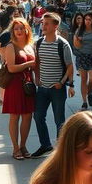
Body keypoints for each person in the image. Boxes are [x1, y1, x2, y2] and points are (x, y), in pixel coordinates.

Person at [32, 12, 75, 158]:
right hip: (42, 88)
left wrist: (63, 82)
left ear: (55, 26)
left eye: (46, 24)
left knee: (59, 120)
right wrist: (37, 78)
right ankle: (45, 145)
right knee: (38, 116)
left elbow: (70, 66)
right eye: (43, 23)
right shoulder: (38, 43)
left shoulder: (63, 44)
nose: (43, 26)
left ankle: (60, 150)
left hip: (57, 89)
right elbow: (37, 62)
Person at [2, 18, 37, 159]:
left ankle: (23, 145)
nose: (19, 31)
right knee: (15, 116)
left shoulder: (30, 45)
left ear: (27, 29)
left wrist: (37, 79)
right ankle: (15, 148)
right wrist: (29, 63)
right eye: (16, 29)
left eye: (21, 28)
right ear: (13, 31)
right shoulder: (11, 46)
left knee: (28, 116)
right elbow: (11, 68)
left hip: (28, 84)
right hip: (15, 84)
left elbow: (35, 66)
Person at [73, 12, 92, 110]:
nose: (87, 21)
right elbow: (76, 46)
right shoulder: (79, 31)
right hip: (82, 56)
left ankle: (89, 93)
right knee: (83, 79)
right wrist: (78, 40)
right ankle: (84, 101)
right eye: (86, 19)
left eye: (90, 19)